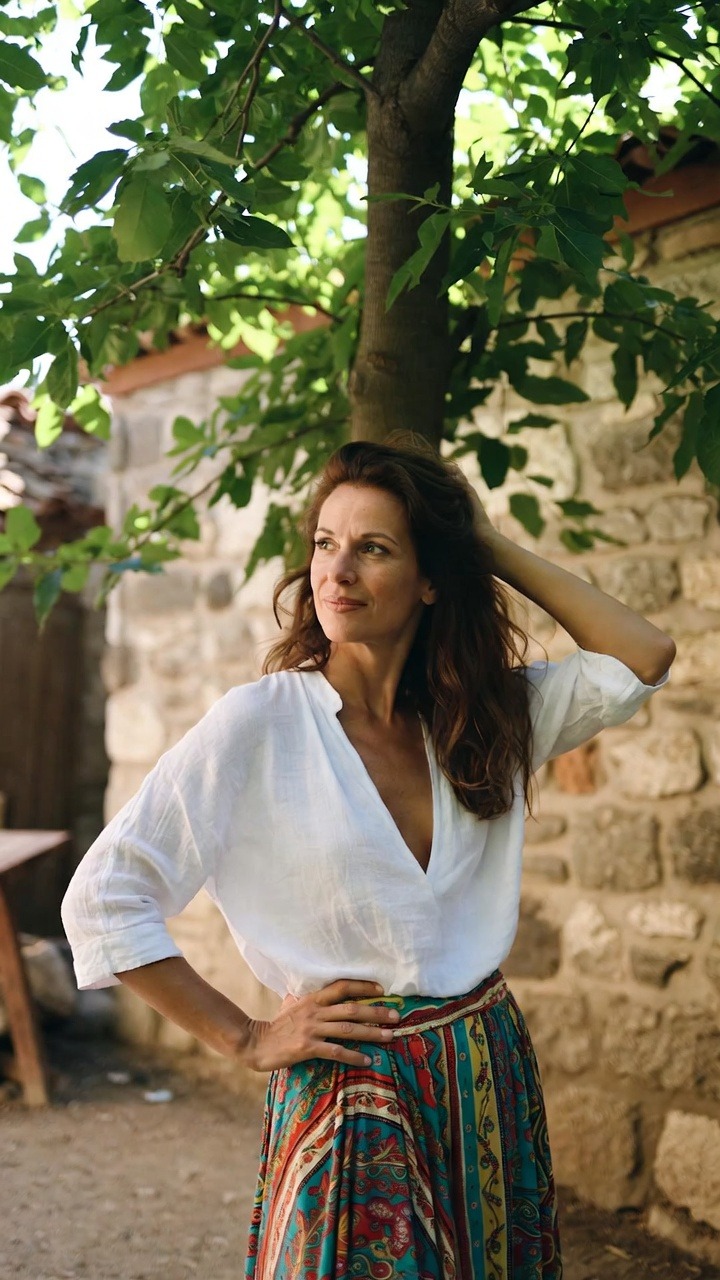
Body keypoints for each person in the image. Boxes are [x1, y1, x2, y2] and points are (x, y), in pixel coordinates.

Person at [61, 438, 675, 1280]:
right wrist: (246, 1037)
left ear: (430, 580)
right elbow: (104, 898)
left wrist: (481, 542)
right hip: (347, 1095)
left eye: (374, 548)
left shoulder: (487, 717)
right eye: (325, 543)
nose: (337, 571)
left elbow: (643, 657)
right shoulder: (260, 724)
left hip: (481, 1075)